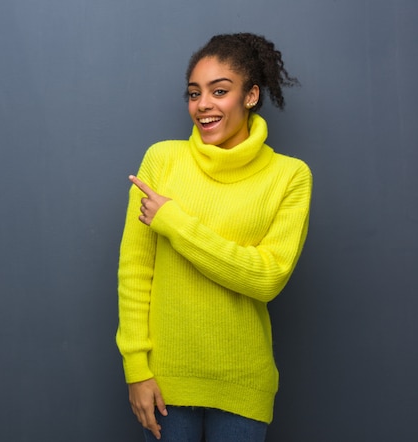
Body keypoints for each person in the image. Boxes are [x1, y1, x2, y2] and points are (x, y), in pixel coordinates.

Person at [116, 33, 312, 442]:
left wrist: (175, 222)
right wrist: (136, 370)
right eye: (193, 93)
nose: (202, 104)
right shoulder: (161, 160)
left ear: (251, 95)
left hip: (242, 381)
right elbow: (135, 272)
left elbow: (266, 278)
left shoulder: (290, 176)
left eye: (219, 91)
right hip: (166, 383)